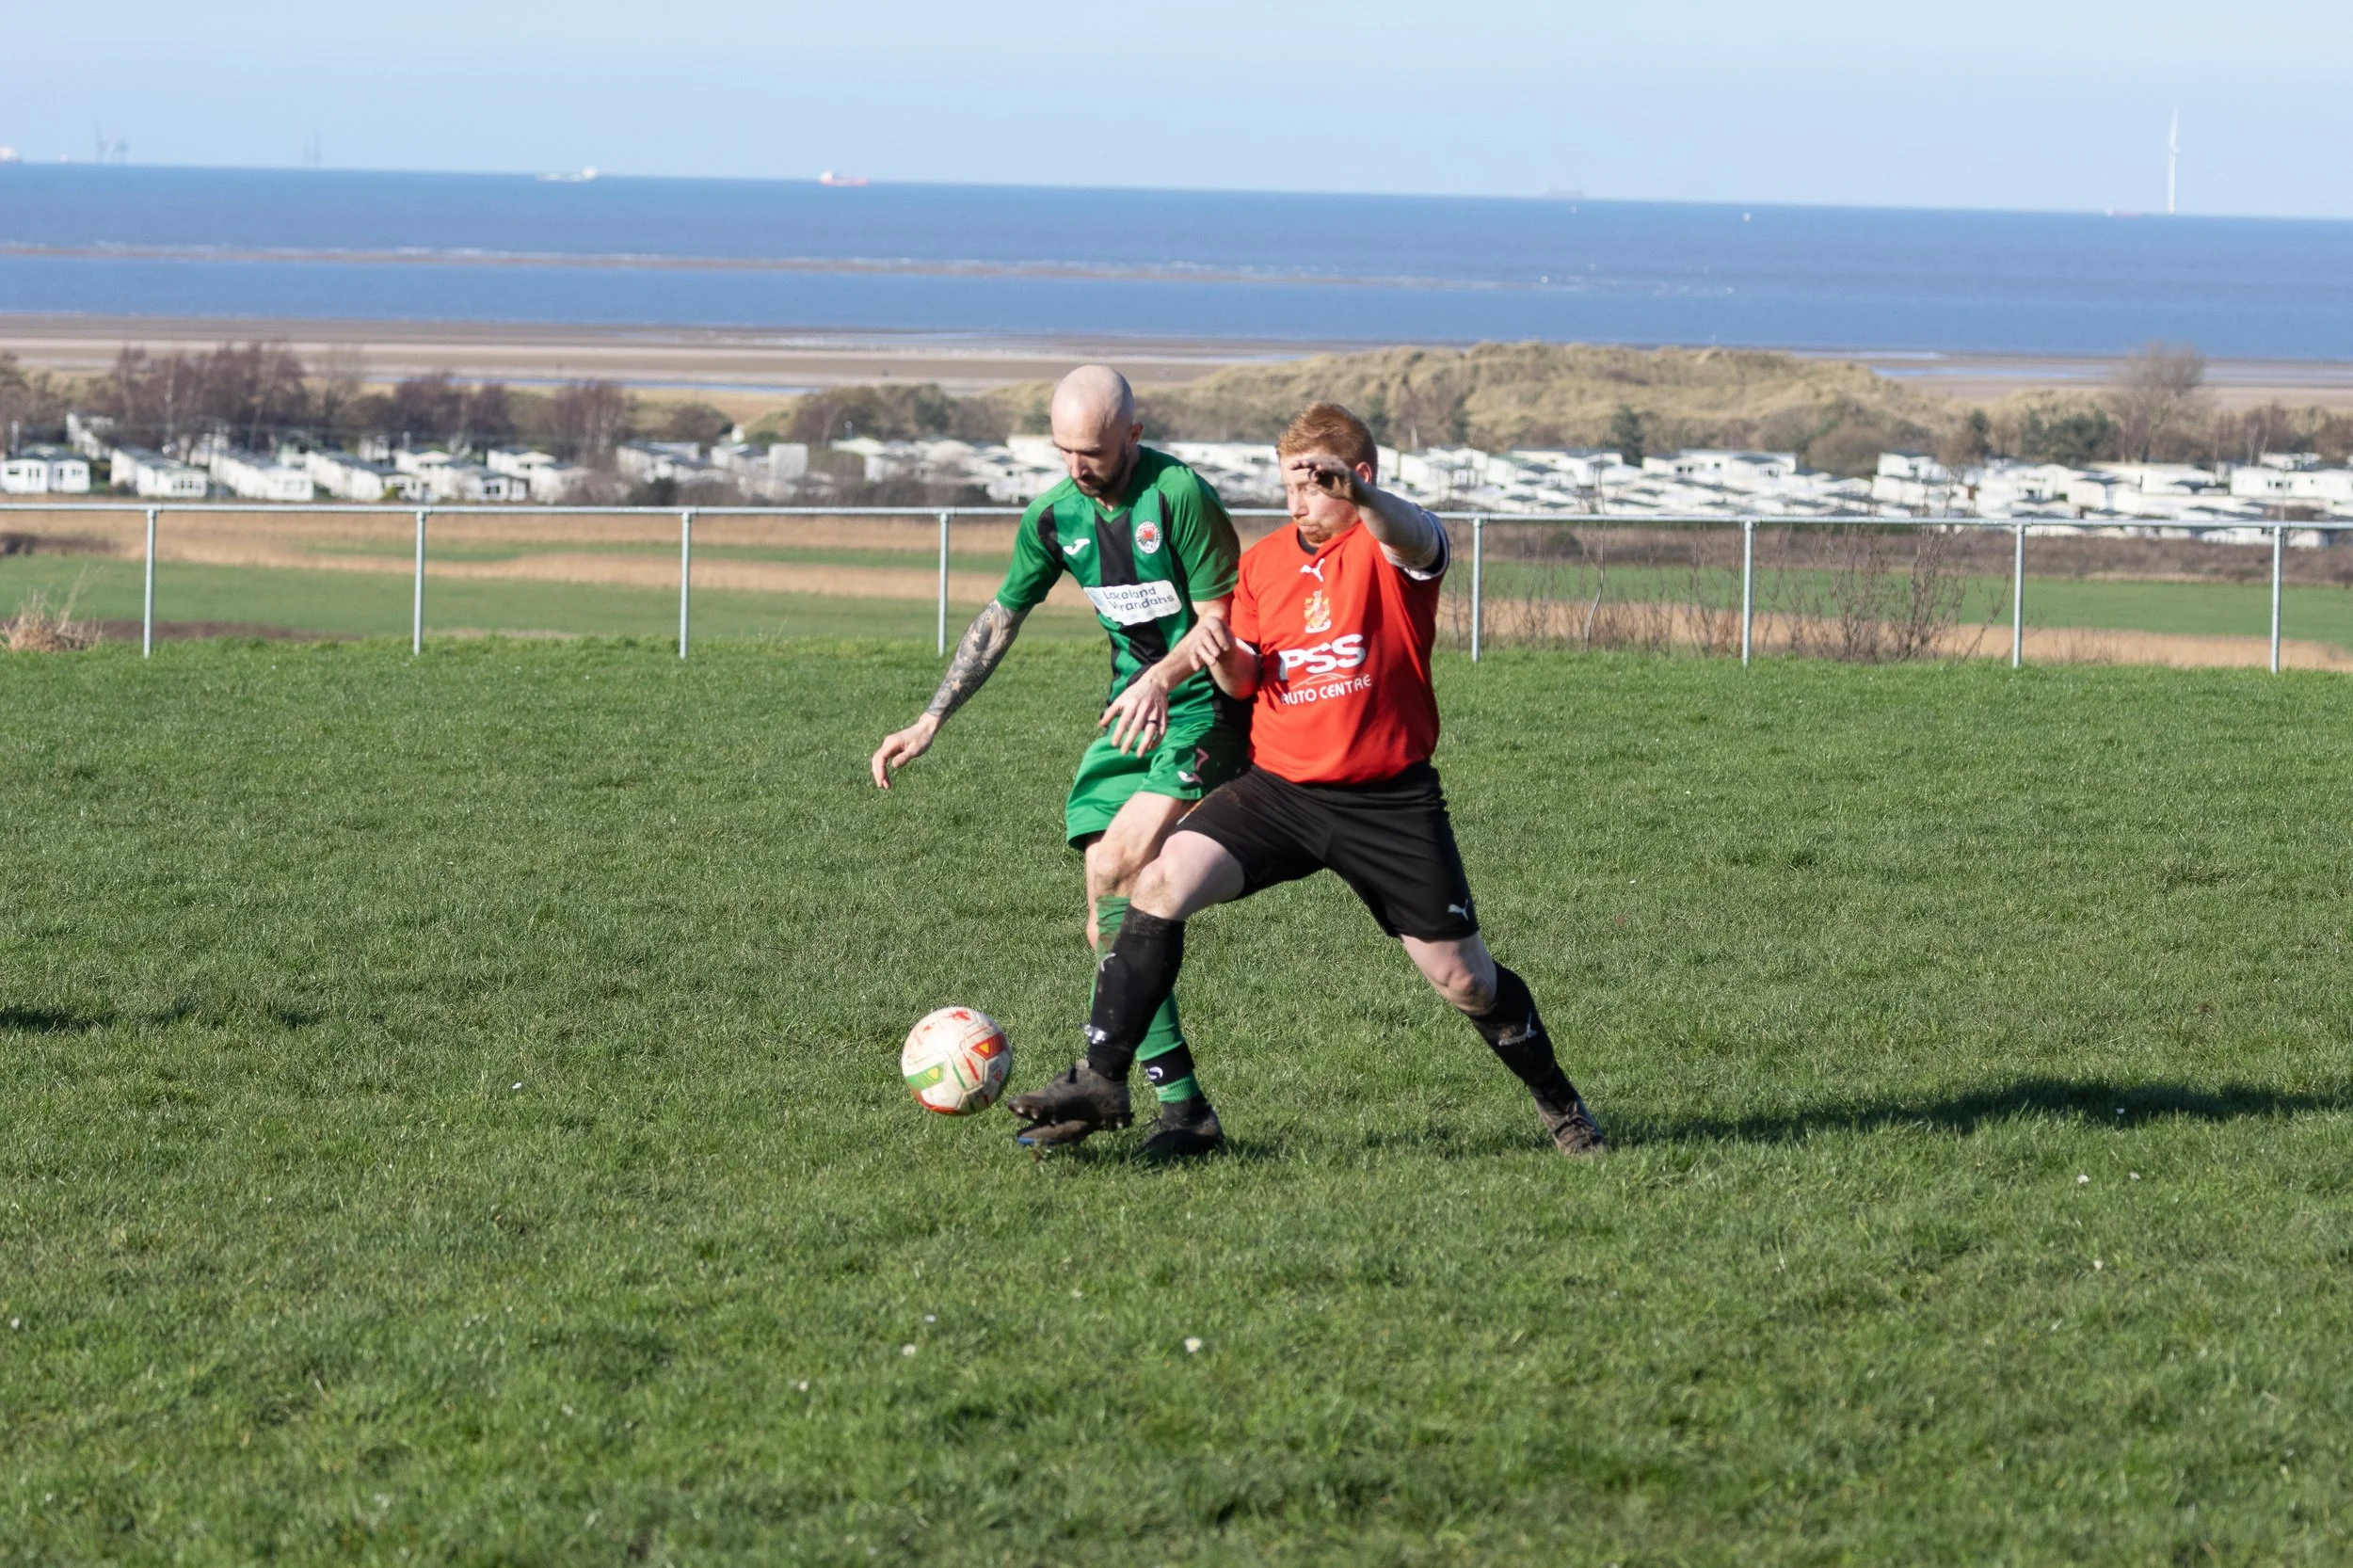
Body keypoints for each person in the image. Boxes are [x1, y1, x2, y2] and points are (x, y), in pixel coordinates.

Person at [1006, 401, 1606, 1158]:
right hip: (1280, 793)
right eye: (1289, 484)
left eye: (1315, 485)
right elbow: (1244, 679)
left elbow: (1419, 536)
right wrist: (1217, 653)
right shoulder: (1263, 564)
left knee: (1466, 982)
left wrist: (1365, 503)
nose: (1299, 502)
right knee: (1154, 885)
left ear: (1358, 478)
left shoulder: (1390, 549)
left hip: (1388, 803)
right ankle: (1103, 1077)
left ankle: (1562, 1108)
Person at [870, 365, 1251, 1159]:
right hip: (1133, 718)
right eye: (1065, 451)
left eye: (1096, 451)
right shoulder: (1053, 517)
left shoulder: (1179, 497)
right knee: (1106, 913)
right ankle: (1149, 1101)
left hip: (1209, 710)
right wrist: (932, 716)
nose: (1079, 465)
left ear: (1133, 437)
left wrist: (1162, 679)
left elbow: (1221, 626)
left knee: (1120, 866)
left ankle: (1136, 1097)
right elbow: (1001, 615)